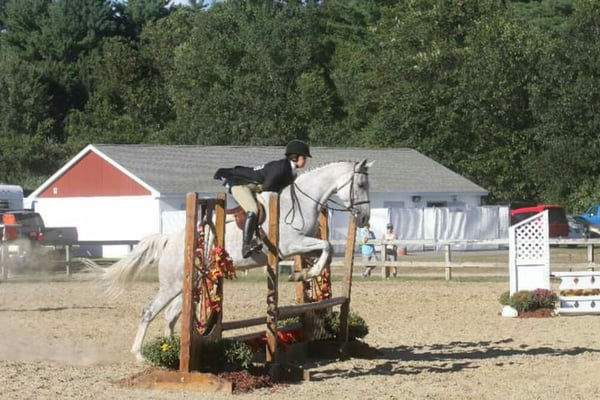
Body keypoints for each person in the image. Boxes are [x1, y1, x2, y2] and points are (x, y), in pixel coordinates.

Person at [213, 139, 311, 258]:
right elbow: (268, 186)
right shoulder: (282, 167)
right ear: (295, 157)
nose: (305, 160)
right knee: (253, 209)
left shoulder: (291, 171)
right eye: (304, 157)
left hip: (254, 187)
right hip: (241, 185)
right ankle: (246, 245)